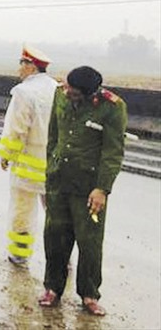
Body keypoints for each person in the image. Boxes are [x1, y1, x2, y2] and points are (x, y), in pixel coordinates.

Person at [38, 66, 127, 316]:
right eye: (66, 88)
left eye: (73, 92)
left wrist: (102, 188)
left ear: (90, 94)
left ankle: (89, 294)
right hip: (59, 182)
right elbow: (53, 136)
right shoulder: (60, 95)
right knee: (54, 237)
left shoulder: (112, 108)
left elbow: (112, 152)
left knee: (89, 243)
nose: (67, 94)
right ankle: (52, 288)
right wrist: (50, 168)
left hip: (88, 189)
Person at [0, 44, 57, 266]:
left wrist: (6, 155)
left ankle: (19, 254)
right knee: (55, 214)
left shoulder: (23, 93)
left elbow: (17, 130)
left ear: (31, 67)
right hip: (53, 164)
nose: (19, 70)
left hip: (27, 165)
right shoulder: (57, 89)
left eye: (22, 65)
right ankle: (63, 259)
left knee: (23, 211)